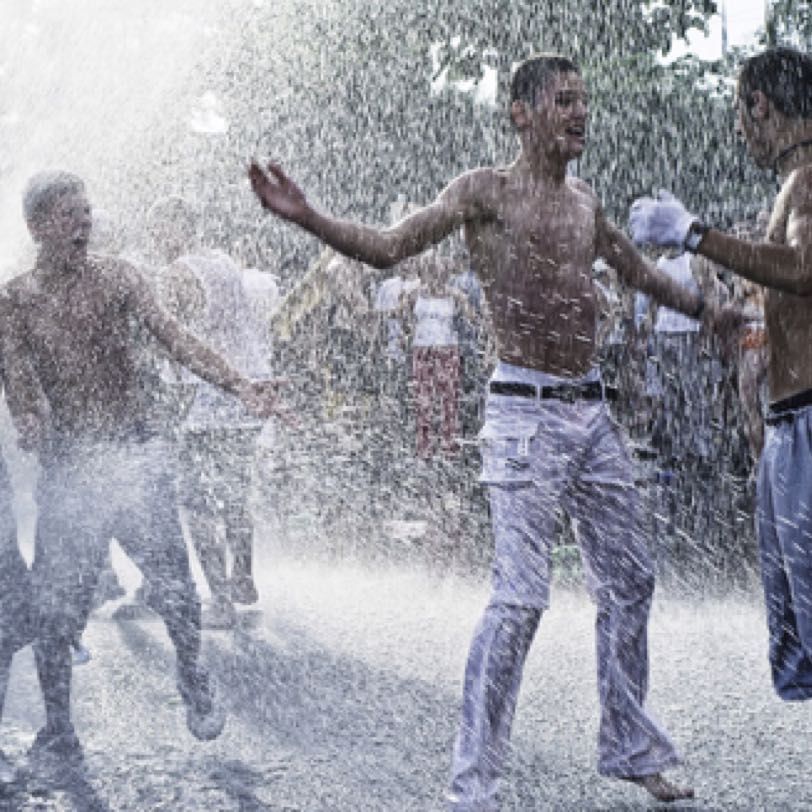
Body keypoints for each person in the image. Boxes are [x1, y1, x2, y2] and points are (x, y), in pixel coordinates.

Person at [247, 53, 720, 806]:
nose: (581, 114)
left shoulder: (586, 203)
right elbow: (388, 247)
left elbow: (640, 275)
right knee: (522, 598)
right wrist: (309, 218)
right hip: (524, 411)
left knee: (630, 579)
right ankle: (476, 780)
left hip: (591, 411)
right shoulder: (484, 193)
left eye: (584, 102)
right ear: (521, 113)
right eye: (565, 101)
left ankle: (629, 743)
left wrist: (709, 311)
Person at [1, 171, 281, 785]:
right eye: (68, 215)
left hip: (134, 457)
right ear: (36, 227)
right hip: (71, 469)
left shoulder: (120, 277)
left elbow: (177, 339)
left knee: (176, 589)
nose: (84, 222)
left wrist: (238, 384)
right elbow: (17, 379)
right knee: (57, 607)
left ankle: (191, 673)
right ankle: (59, 726)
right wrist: (27, 415)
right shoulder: (14, 301)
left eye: (86, 211)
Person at [629, 46, 812, 702]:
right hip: (790, 424)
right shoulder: (794, 183)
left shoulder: (810, 176)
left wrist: (695, 234)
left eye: (740, 115)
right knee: (799, 642)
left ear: (760, 105)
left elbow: (802, 267)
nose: (739, 131)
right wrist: (736, 312)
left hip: (808, 425)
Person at [152, 196, 275, 629]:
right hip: (246, 388)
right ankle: (243, 576)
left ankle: (219, 601)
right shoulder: (223, 262)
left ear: (175, 226)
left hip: (204, 398)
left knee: (197, 499)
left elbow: (167, 340)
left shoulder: (177, 273)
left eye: (159, 230)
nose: (156, 240)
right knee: (237, 490)